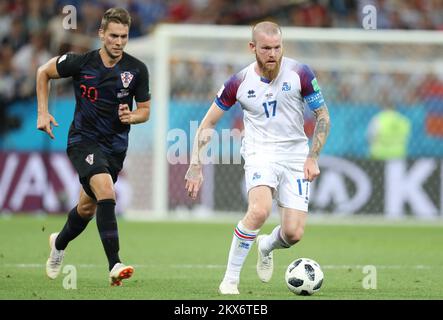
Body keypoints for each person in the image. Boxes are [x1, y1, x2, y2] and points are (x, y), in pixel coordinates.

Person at [184, 21, 330, 295]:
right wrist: (195, 165)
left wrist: (313, 156)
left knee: (293, 234)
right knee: (260, 210)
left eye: (277, 47)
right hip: (259, 152)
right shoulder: (238, 82)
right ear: (253, 47)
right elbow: (207, 124)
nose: (273, 53)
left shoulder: (300, 72)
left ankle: (266, 245)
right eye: (266, 48)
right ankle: (230, 279)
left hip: (296, 154)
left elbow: (323, 116)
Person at [36, 7, 151, 286]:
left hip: (115, 148)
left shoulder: (136, 69)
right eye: (113, 35)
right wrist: (42, 111)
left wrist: (132, 116)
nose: (119, 42)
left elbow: (145, 110)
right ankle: (115, 264)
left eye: (123, 36)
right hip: (82, 141)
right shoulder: (80, 63)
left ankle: (59, 244)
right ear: (101, 34)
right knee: (106, 191)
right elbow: (43, 72)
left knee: (86, 209)